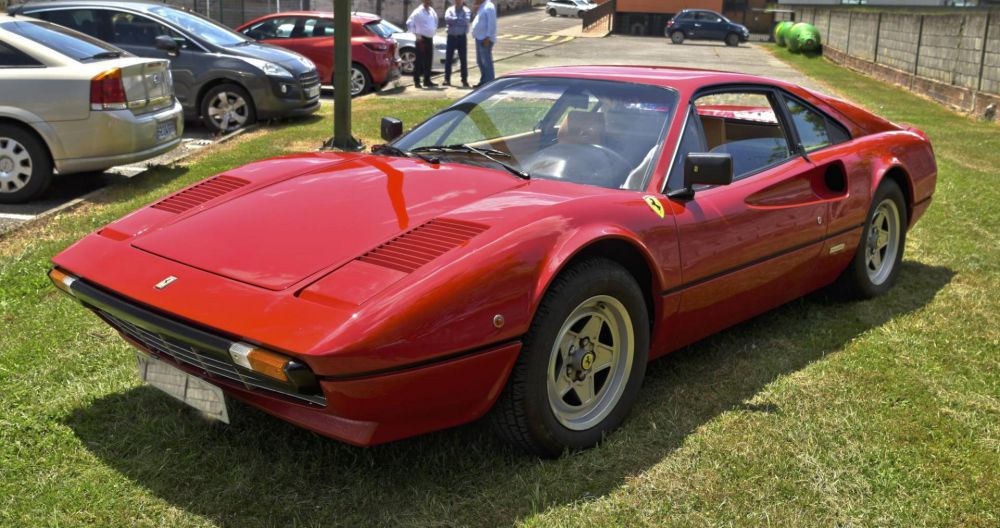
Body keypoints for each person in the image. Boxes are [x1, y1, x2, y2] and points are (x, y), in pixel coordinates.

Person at [406, 0, 439, 88]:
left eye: (430, 1)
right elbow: (409, 23)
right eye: (427, 1)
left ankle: (427, 80)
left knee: (428, 60)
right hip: (421, 39)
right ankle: (417, 81)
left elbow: (435, 21)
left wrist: (434, 29)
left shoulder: (431, 11)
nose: (429, 2)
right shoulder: (418, 11)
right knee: (419, 61)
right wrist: (416, 34)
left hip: (429, 38)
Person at [443, 0, 471, 87]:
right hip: (451, 37)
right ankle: (447, 79)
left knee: (463, 59)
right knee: (448, 59)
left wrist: (454, 20)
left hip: (461, 37)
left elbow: (466, 21)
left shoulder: (467, 10)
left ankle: (464, 80)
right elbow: (447, 20)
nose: (458, 1)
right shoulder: (449, 10)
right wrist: (459, 20)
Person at [470, 0, 496, 87]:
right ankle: (484, 81)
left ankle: (489, 82)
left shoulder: (489, 7)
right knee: (480, 61)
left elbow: (492, 24)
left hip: (485, 39)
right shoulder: (482, 6)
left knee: (486, 62)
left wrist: (488, 37)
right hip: (479, 38)